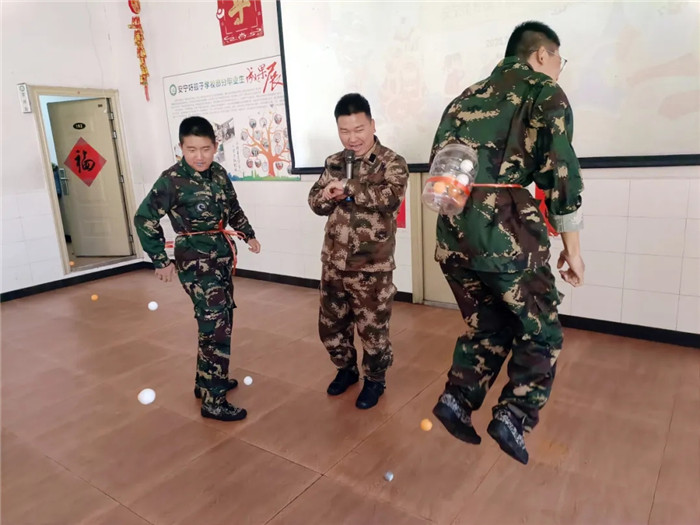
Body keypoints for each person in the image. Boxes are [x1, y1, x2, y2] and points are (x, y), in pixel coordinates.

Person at [429, 21, 585, 464]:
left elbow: (442, 164)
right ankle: (514, 416)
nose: (559, 68)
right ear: (541, 55)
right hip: (508, 236)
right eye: (560, 60)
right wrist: (573, 252)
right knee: (542, 332)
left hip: (453, 234)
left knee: (489, 323)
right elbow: (562, 176)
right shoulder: (544, 91)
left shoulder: (463, 98)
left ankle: (457, 400)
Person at [134, 116, 261, 422]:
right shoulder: (171, 180)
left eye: (205, 149)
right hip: (195, 261)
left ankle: (205, 381)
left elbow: (233, 207)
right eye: (191, 150)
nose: (199, 156)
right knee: (216, 326)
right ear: (181, 148)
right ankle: (214, 401)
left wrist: (248, 234)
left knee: (216, 319)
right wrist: (160, 260)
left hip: (220, 257)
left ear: (215, 147)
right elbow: (144, 218)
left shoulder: (218, 173)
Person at [308, 93, 409, 409]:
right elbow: (315, 203)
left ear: (372, 125)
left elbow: (390, 198)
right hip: (333, 262)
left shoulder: (392, 162)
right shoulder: (334, 162)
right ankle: (346, 370)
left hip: (371, 267)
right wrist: (328, 194)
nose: (352, 138)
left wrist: (349, 188)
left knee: (373, 331)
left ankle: (375, 380)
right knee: (331, 327)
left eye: (359, 129)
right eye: (344, 131)